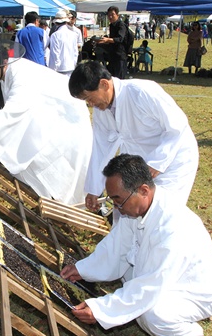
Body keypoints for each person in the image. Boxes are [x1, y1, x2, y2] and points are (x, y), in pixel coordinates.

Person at [60, 154, 212, 334]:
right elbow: (117, 248)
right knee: (133, 287)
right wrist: (84, 269)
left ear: (144, 190)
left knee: (153, 314)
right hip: (163, 275)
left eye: (118, 200)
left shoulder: (172, 228)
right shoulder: (137, 206)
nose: (117, 207)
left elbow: (150, 284)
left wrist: (102, 309)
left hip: (196, 290)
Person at [0, 25, 93, 203]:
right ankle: (55, 201)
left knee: (63, 164)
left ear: (4, 62)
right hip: (43, 116)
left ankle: (78, 205)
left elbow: (12, 112)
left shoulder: (22, 75)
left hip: (66, 118)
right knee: (37, 160)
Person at [68, 61, 199, 225]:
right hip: (138, 165)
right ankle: (128, 249)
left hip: (173, 159)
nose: (90, 104)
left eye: (89, 98)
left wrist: (157, 163)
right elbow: (100, 148)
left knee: (160, 214)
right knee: (127, 211)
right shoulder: (102, 110)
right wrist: (94, 189)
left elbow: (177, 126)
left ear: (104, 84)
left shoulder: (142, 92)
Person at [97, 6, 127, 79]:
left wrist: (107, 40)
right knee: (111, 78)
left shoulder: (121, 25)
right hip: (112, 56)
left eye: (112, 14)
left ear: (117, 15)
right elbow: (111, 40)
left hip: (120, 56)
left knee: (119, 79)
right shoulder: (111, 26)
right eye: (109, 15)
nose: (110, 17)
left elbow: (120, 39)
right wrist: (103, 42)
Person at [48, 10, 79, 76]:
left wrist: (53, 70)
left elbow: (55, 55)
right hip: (70, 66)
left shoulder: (55, 35)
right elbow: (75, 53)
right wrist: (74, 64)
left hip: (59, 68)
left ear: (56, 23)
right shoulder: (73, 34)